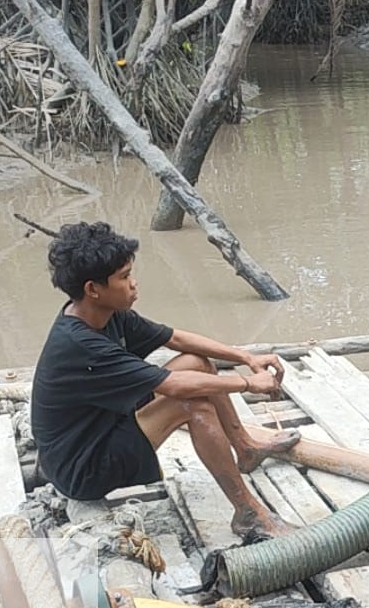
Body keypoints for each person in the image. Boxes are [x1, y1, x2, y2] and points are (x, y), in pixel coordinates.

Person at [30, 222, 300, 539]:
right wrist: (248, 383)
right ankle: (248, 514)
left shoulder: (102, 313)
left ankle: (246, 447)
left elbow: (175, 339)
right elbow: (173, 386)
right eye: (124, 276)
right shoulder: (82, 345)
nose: (133, 283)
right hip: (82, 467)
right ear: (93, 289)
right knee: (192, 404)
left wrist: (245, 358)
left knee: (196, 363)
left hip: (102, 427)